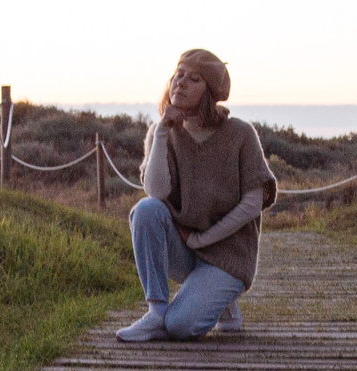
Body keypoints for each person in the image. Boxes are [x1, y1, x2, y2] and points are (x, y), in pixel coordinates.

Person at [118, 48, 277, 342]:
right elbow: (156, 191)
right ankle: (155, 312)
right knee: (146, 210)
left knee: (180, 327)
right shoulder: (160, 132)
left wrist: (203, 239)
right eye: (178, 75)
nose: (181, 83)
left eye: (193, 79)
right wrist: (163, 131)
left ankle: (223, 299)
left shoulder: (241, 134)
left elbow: (254, 203)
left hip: (227, 254)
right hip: (185, 249)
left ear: (210, 91)